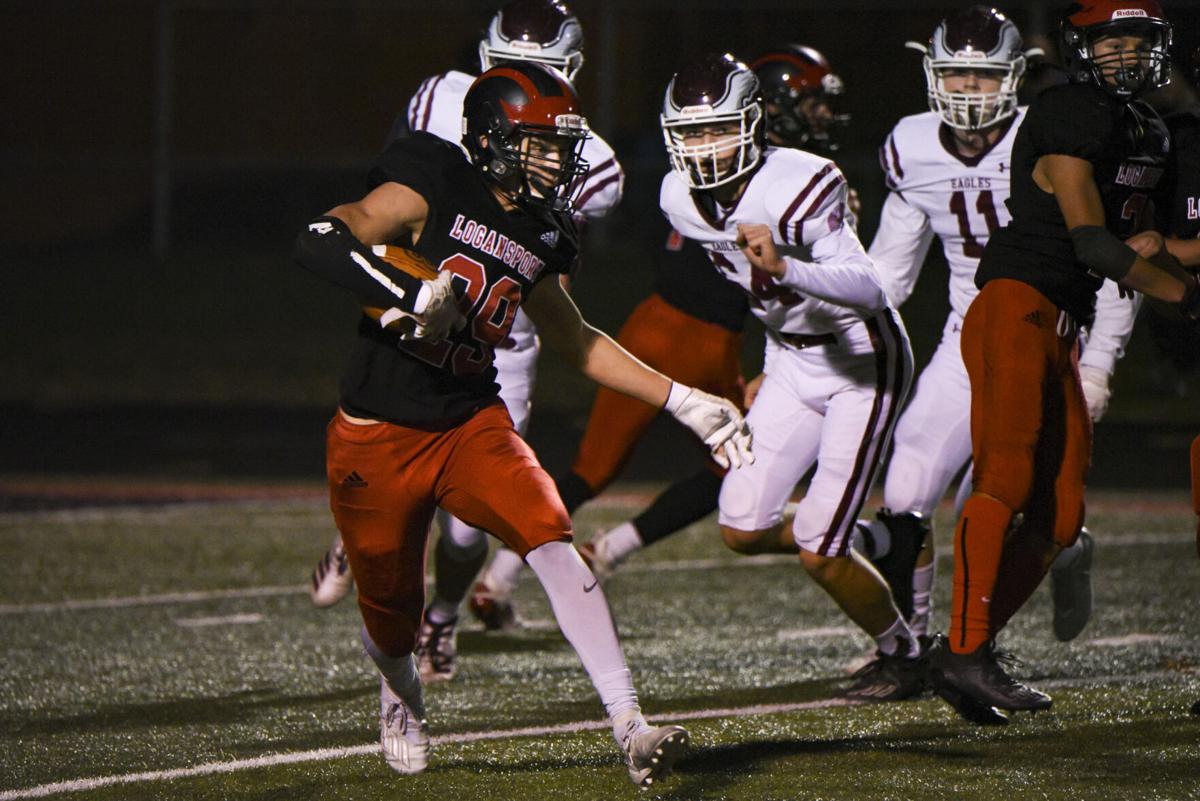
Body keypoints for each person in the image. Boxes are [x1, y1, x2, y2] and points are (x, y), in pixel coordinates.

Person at [292, 61, 752, 785]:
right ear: (493, 138)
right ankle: (401, 694)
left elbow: (577, 340)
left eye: (559, 145)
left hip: (469, 420)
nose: (556, 160)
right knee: (388, 616)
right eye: (540, 144)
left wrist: (683, 399)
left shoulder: (543, 230)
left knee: (550, 534)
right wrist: (409, 289)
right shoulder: (434, 177)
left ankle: (631, 724)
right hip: (377, 432)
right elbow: (325, 234)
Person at [470, 44, 853, 614]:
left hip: (646, 325)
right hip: (707, 343)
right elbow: (791, 288)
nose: (822, 117)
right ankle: (613, 548)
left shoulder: (689, 174)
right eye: (812, 105)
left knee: (589, 469)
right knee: (732, 467)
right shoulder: (786, 178)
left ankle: (497, 579)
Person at [306, 0, 625, 684]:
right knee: (388, 467)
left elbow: (544, 263)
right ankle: (363, 543)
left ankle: (443, 616)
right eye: (512, 71)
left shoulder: (590, 159)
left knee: (465, 527)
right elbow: (392, 204)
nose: (524, 93)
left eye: (539, 75)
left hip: (500, 339)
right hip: (423, 304)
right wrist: (403, 292)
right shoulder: (439, 99)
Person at [926, 0, 1199, 726]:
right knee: (1008, 477)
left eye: (1136, 39)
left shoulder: (1146, 128)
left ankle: (965, 647)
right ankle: (963, 650)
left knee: (1060, 513)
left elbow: (1145, 243)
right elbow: (1093, 242)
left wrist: (1178, 267)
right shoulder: (1068, 112)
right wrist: (1185, 297)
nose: (1125, 54)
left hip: (1060, 322)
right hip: (1016, 303)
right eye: (1110, 41)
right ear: (1083, 49)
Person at [858, 5, 1138, 647]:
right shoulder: (909, 143)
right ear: (932, 74)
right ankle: (915, 650)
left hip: (1052, 328)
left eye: (984, 77)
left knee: (1014, 503)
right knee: (905, 494)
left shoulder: (1055, 130)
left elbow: (1117, 257)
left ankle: (996, 620)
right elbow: (890, 277)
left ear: (1016, 77)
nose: (968, 90)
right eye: (955, 75)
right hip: (971, 331)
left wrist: (1097, 364)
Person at [656, 52, 921, 703]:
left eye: (717, 128)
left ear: (752, 123)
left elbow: (869, 288)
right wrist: (766, 365)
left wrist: (788, 267)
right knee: (741, 525)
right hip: (791, 360)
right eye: (691, 133)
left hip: (860, 360)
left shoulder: (800, 181)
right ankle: (882, 536)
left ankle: (907, 652)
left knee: (817, 550)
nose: (704, 147)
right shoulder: (675, 197)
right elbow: (747, 290)